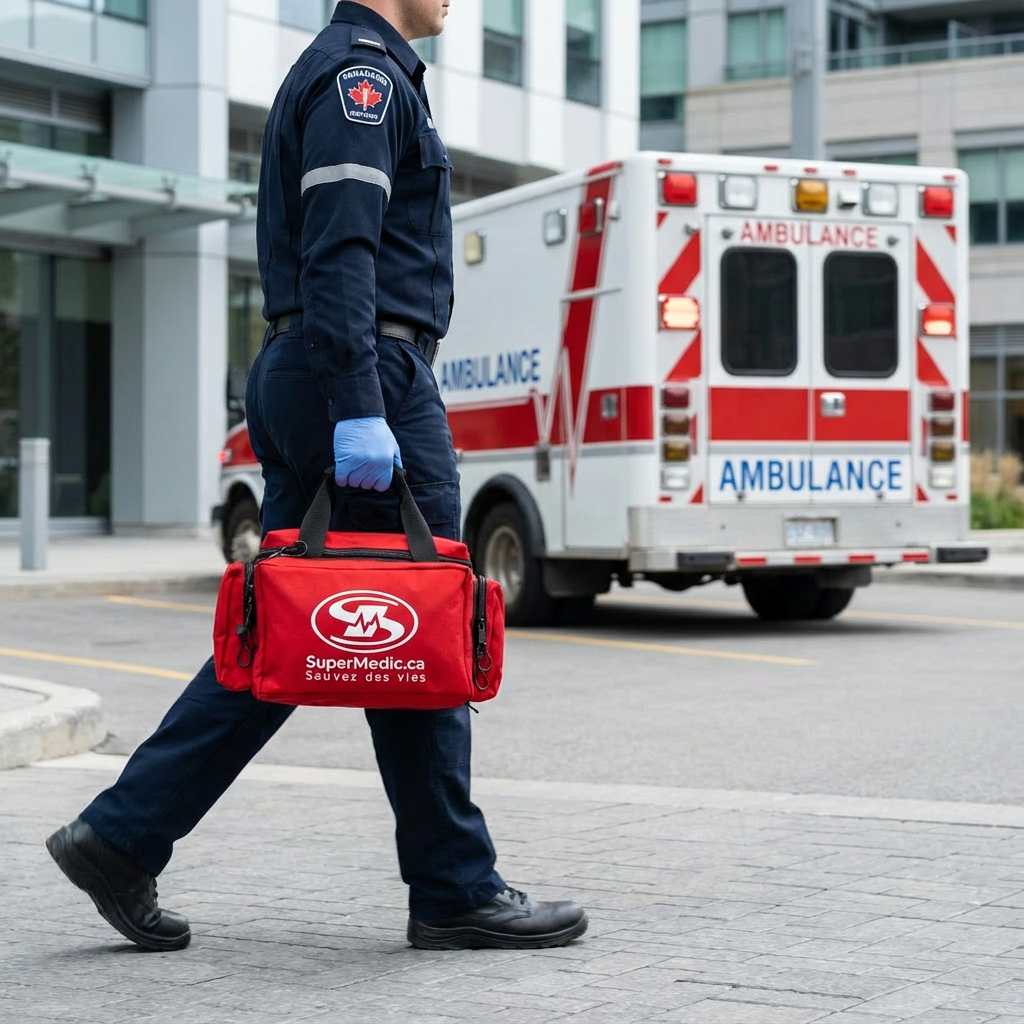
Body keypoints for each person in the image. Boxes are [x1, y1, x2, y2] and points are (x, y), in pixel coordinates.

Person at [45, 0, 587, 953]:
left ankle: (121, 837)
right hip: (362, 366)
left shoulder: (356, 69)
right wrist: (364, 404)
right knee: (418, 614)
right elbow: (342, 250)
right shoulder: (359, 79)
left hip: (333, 364)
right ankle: (455, 886)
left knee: (297, 626)